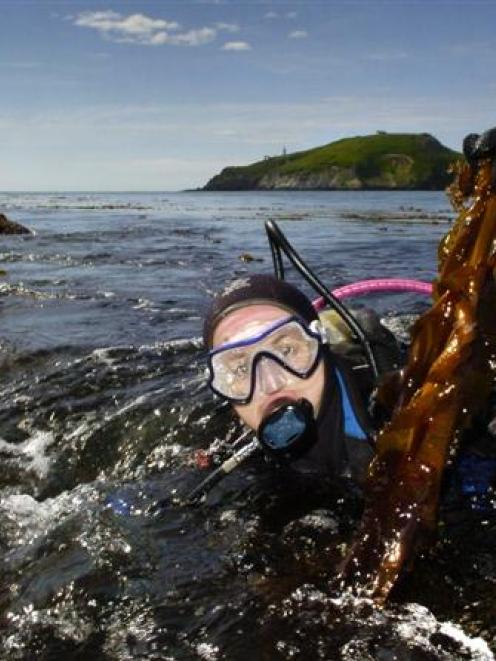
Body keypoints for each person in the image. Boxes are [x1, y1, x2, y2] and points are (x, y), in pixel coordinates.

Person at [203, 273, 385, 485]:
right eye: (241, 368)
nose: (272, 384)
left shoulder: (385, 413)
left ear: (319, 342)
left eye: (287, 349)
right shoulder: (219, 443)